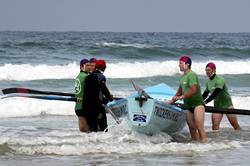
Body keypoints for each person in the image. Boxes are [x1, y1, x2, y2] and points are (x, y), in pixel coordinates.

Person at [169, 56, 207, 143]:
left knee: (199, 126)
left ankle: (205, 145)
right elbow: (179, 92)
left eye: (181, 63)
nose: (179, 65)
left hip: (198, 105)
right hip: (188, 106)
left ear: (187, 64)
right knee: (192, 128)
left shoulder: (192, 75)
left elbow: (193, 90)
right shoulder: (183, 77)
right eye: (179, 63)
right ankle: (194, 145)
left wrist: (180, 97)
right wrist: (170, 102)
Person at [202, 62, 241, 130]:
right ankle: (217, 140)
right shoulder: (208, 82)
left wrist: (205, 102)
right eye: (206, 70)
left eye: (209, 70)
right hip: (217, 106)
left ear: (214, 70)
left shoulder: (220, 79)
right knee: (215, 126)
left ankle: (242, 138)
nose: (207, 72)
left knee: (235, 125)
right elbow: (205, 94)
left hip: (227, 105)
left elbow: (215, 93)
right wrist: (198, 101)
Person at [83, 59, 113, 132]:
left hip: (86, 106)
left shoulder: (88, 77)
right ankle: (102, 143)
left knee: (92, 129)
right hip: (96, 107)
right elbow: (103, 88)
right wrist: (109, 98)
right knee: (104, 128)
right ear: (104, 67)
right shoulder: (101, 77)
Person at [74, 58, 91, 132]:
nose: (89, 67)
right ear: (81, 67)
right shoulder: (86, 77)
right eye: (87, 65)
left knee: (82, 130)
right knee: (90, 130)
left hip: (78, 106)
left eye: (90, 65)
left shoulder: (78, 77)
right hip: (85, 107)